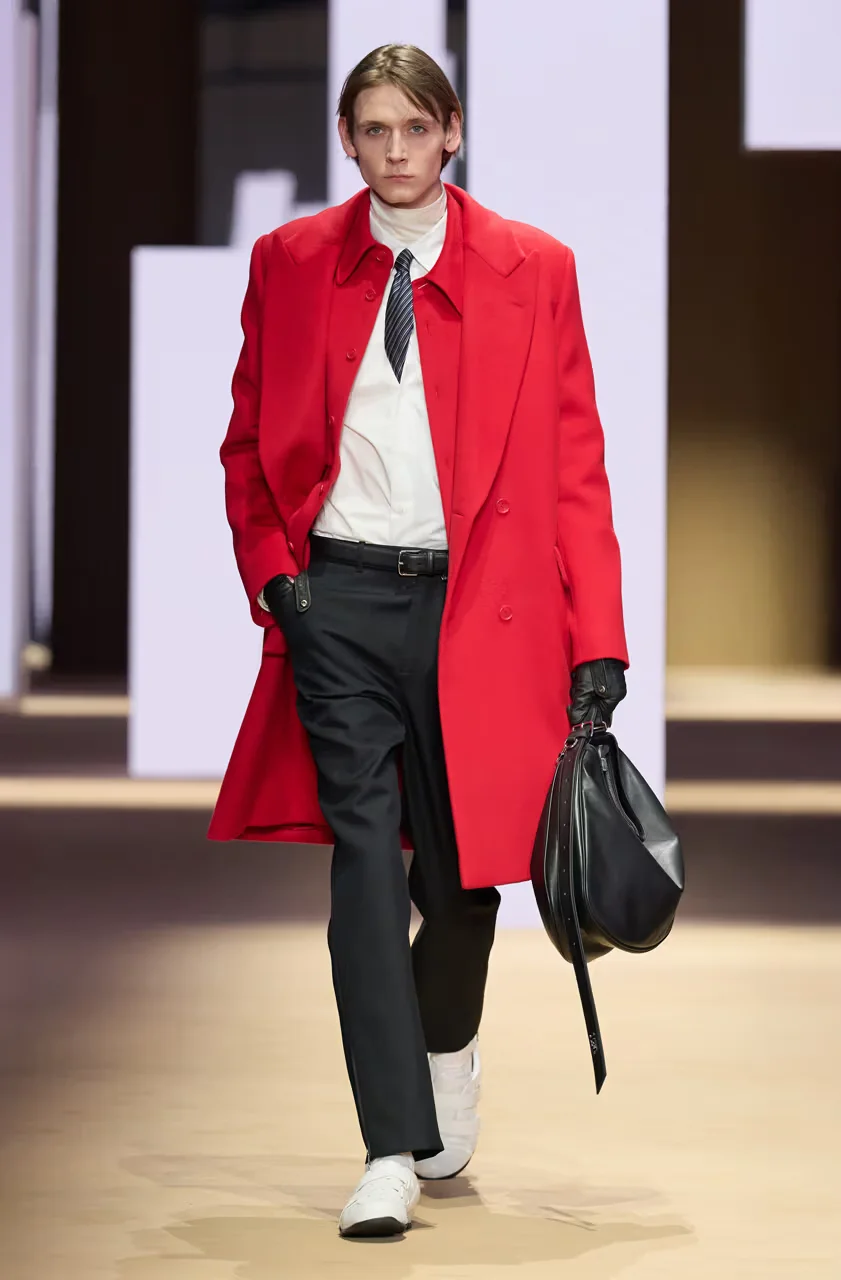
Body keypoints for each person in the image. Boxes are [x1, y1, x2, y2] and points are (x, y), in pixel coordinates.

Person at [210, 43, 628, 1239]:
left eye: (413, 128)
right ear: (346, 140)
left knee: (458, 881)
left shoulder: (533, 268)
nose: (393, 151)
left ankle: (445, 1049)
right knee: (360, 863)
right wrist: (278, 581)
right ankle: (387, 1147)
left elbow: (575, 465)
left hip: (477, 611)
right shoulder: (289, 261)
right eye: (372, 130)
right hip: (337, 603)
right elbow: (247, 441)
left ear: (452, 132)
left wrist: (596, 637)